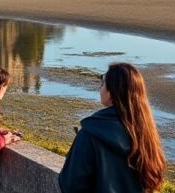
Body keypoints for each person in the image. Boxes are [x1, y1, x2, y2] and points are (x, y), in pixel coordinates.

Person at [58, 63, 166, 193]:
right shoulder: (146, 135)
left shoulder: (90, 134)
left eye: (103, 82)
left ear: (111, 92)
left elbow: (70, 185)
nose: (100, 87)